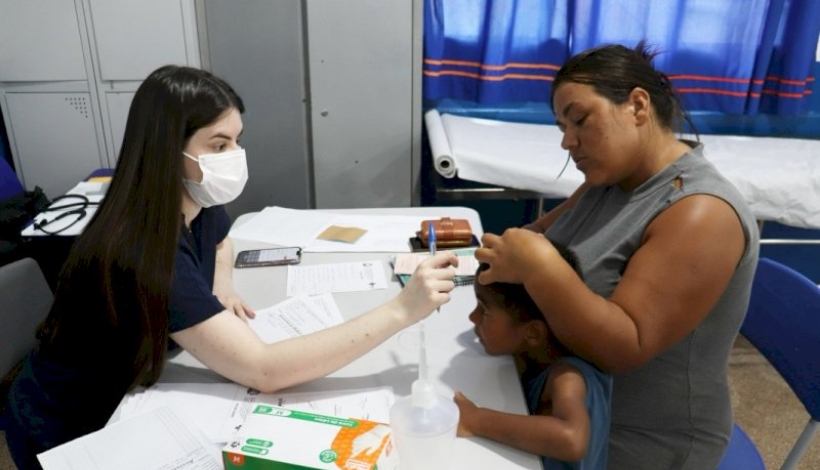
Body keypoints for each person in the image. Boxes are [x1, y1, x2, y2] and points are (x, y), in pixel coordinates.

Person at [3, 65, 458, 470]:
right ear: (168, 150)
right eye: (219, 144)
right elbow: (265, 370)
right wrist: (401, 310)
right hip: (75, 425)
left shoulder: (193, 200)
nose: (234, 156)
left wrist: (220, 287)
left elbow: (223, 241)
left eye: (237, 141)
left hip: (138, 385)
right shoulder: (143, 250)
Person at [474, 42, 759, 470]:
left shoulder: (702, 213)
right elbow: (534, 236)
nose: (567, 141)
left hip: (635, 436)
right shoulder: (611, 180)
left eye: (580, 120)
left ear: (638, 106)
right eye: (561, 127)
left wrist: (540, 267)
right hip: (559, 397)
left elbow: (625, 347)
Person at [455, 246, 612, 470]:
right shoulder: (543, 348)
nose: (473, 317)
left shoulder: (568, 378)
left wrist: (475, 420)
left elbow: (572, 439)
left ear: (533, 333)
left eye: (485, 310)